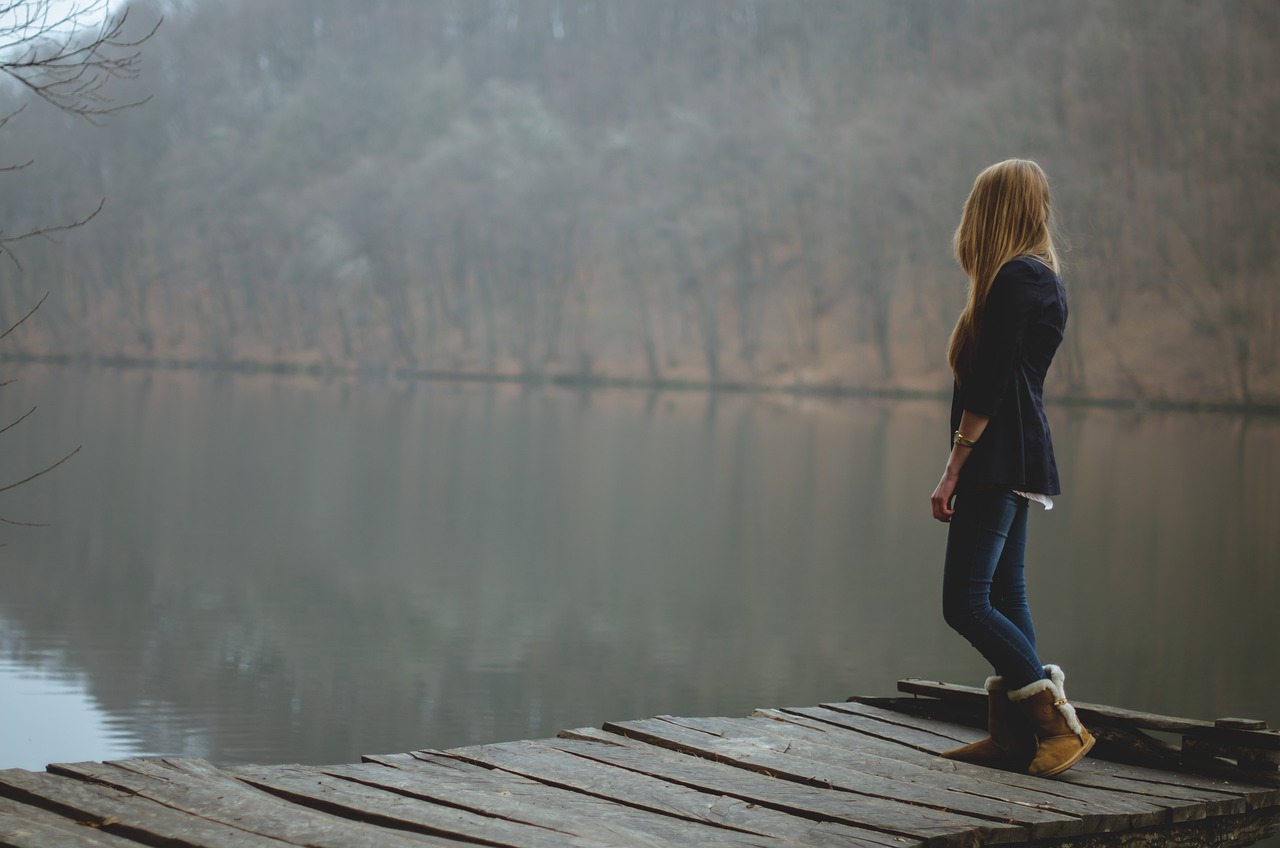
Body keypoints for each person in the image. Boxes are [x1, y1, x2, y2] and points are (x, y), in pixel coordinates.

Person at [929, 158, 1094, 778]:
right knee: (1005, 593)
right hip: (1019, 452)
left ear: (989, 211)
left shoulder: (1016, 281)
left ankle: (1058, 724)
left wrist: (953, 468)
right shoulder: (1038, 276)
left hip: (997, 457)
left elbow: (991, 383)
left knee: (966, 604)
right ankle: (1015, 737)